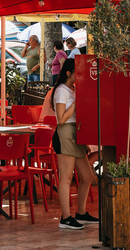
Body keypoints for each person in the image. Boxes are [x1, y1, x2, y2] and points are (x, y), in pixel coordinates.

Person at [53, 59, 97, 230]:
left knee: (87, 177)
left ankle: (81, 212)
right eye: (77, 73)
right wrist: (76, 104)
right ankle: (65, 217)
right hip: (65, 133)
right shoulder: (61, 91)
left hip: (76, 133)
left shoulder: (73, 90)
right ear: (69, 73)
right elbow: (61, 118)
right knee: (65, 178)